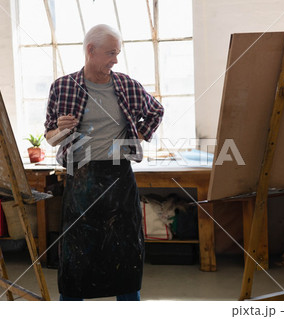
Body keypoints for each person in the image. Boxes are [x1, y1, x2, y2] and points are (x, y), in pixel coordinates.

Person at [44, 24, 164, 301]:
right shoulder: (63, 87)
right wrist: (61, 129)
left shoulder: (126, 85)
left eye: (117, 53)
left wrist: (139, 135)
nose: (115, 59)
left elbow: (156, 110)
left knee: (125, 249)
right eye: (111, 53)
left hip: (120, 176)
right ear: (90, 50)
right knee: (76, 252)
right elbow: (50, 137)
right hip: (81, 177)